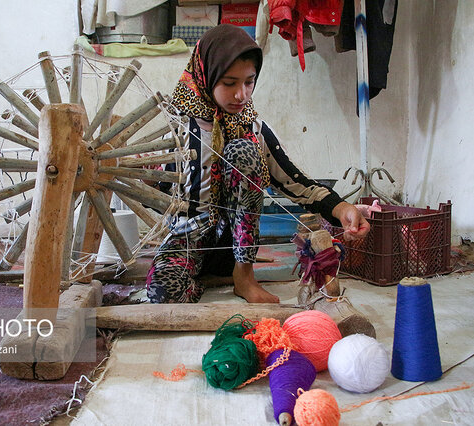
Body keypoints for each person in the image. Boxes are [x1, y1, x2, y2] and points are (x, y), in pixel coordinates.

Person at [146, 24, 369, 304]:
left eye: (249, 82)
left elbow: (296, 183)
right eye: (229, 83)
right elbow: (155, 193)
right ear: (206, 75)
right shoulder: (178, 130)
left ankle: (244, 277)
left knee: (244, 152)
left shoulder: (253, 129)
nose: (242, 94)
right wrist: (144, 177)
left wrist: (343, 209)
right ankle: (200, 278)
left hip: (234, 249)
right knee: (163, 295)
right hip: (189, 241)